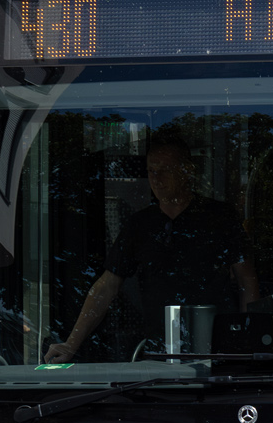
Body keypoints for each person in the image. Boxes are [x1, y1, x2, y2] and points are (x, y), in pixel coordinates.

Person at [46, 137, 259, 363]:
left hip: (219, 350)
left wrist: (247, 338)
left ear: (187, 171)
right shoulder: (140, 225)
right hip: (159, 354)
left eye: (165, 170)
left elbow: (248, 280)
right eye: (151, 170)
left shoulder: (219, 217)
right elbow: (106, 287)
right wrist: (70, 345)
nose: (156, 179)